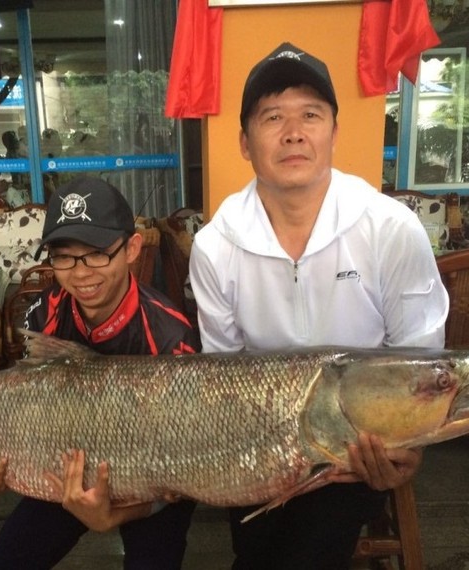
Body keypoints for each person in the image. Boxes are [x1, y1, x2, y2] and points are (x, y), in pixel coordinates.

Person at [188, 42, 450, 569]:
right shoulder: (214, 246)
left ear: (333, 130)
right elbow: (222, 379)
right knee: (260, 548)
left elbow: (422, 367)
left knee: (304, 547)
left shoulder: (390, 229)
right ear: (245, 141)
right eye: (272, 117)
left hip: (356, 445)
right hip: (258, 442)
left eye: (311, 114)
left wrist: (408, 450)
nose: (293, 132)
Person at [0, 175, 199, 569]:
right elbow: (22, 407)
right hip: (66, 470)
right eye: (64, 256)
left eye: (97, 253)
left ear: (131, 249)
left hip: (153, 489)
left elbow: (185, 471)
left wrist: (114, 515)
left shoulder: (172, 338)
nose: (81, 272)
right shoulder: (44, 313)